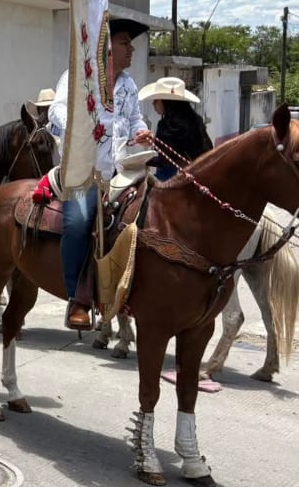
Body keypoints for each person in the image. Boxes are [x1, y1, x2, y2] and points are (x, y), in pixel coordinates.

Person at [49, 17, 154, 330]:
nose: (131, 49)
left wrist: (142, 133)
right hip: (85, 168)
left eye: (130, 43)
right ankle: (77, 298)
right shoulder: (79, 77)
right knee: (78, 221)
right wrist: (84, 124)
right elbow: (56, 110)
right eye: (124, 43)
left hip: (122, 166)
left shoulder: (129, 85)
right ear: (107, 49)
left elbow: (134, 120)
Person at [138, 77, 211, 182]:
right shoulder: (196, 120)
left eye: (156, 100)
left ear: (166, 102)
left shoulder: (166, 125)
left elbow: (165, 160)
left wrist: (140, 161)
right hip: (201, 173)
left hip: (174, 178)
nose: (153, 103)